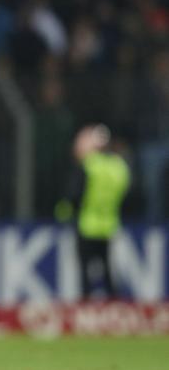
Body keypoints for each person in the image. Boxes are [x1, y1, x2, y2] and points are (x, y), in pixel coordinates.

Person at [56, 125, 130, 300]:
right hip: (109, 226)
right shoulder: (119, 167)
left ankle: (86, 306)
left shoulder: (89, 165)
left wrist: (63, 212)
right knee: (108, 272)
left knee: (85, 272)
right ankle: (113, 308)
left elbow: (74, 196)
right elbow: (127, 195)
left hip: (87, 225)